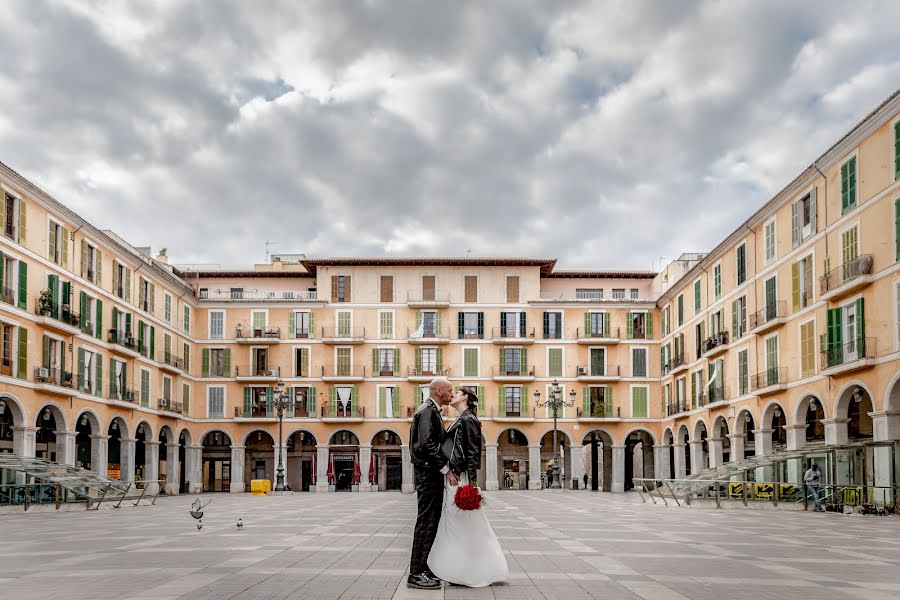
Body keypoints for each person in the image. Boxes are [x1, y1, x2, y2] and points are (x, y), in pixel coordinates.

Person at [427, 387, 509, 587]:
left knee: (465, 523)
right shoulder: (461, 418)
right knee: (458, 524)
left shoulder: (469, 419)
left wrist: (472, 485)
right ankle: (459, 569)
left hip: (461, 477)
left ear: (465, 397)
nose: (452, 395)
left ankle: (476, 569)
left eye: (456, 393)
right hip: (455, 475)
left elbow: (473, 452)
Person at [408, 377, 455, 590]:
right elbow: (427, 444)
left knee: (431, 522)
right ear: (438, 390)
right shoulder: (427, 411)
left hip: (430, 475)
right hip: (428, 475)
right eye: (449, 390)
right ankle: (416, 573)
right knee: (426, 522)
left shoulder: (431, 410)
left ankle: (424, 568)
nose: (452, 394)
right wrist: (445, 469)